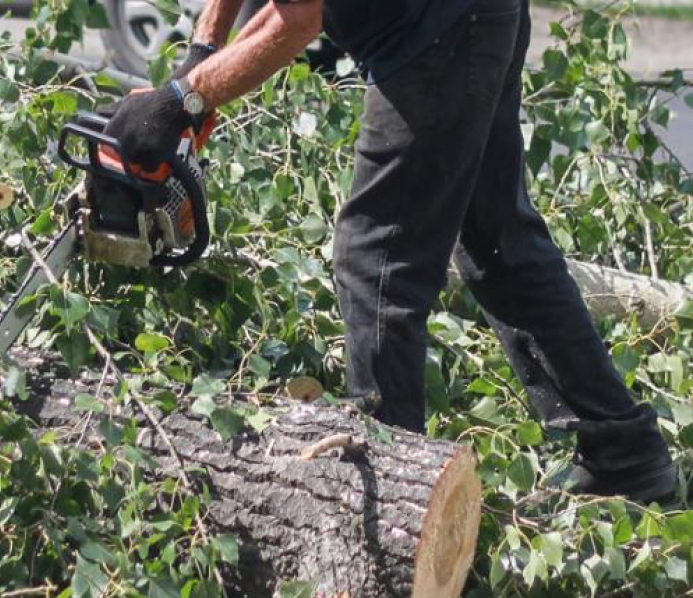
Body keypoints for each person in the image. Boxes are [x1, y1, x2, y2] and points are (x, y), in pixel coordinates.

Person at [91, 0, 676, 503]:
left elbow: (296, 19)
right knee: (498, 241)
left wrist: (182, 103)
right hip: (470, 17)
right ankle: (624, 452)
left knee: (375, 258)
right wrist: (201, 54)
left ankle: (395, 483)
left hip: (436, 34)